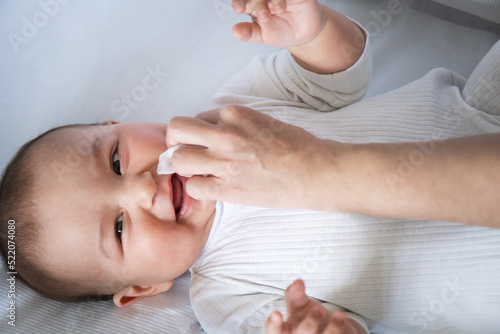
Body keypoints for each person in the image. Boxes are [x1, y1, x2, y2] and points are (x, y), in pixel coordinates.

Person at [0, 1, 499, 334]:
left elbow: (337, 75)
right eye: (117, 227)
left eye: (114, 160)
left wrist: (314, 31)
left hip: (481, 106)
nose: (142, 190)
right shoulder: (224, 298)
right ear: (141, 289)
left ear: (120, 123)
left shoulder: (230, 114)